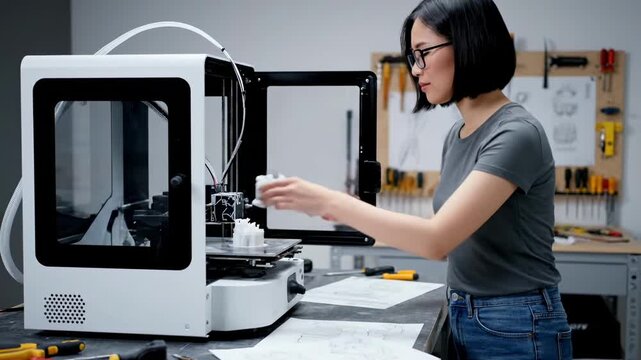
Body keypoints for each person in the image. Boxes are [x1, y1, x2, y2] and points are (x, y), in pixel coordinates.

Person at [260, 0, 572, 358]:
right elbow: (449, 236)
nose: (416, 69)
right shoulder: (458, 134)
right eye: (412, 56)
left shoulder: (517, 134)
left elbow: (436, 241)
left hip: (516, 323)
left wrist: (330, 201)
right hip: (464, 311)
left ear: (469, 43)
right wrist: (335, 212)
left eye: (423, 53)